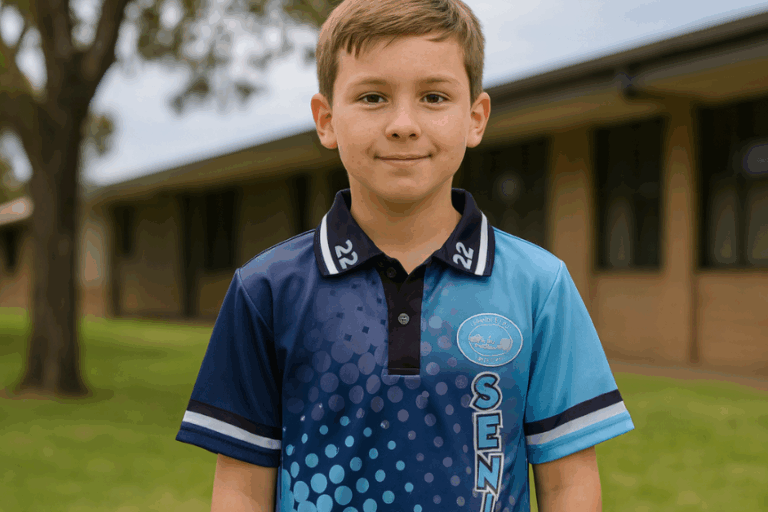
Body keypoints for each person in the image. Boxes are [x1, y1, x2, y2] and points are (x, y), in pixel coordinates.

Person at [175, 0, 635, 510]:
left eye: (434, 97)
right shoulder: (266, 291)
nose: (403, 124)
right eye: (372, 97)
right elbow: (241, 487)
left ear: (475, 118)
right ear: (326, 120)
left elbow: (569, 483)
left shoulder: (539, 286)